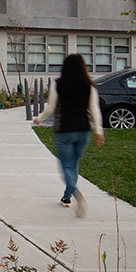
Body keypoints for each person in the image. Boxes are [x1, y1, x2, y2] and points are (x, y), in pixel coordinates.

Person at [32, 53, 105, 217]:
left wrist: (39, 118)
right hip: (83, 131)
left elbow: (51, 108)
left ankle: (78, 197)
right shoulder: (89, 85)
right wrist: (98, 131)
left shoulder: (58, 84)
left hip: (64, 131)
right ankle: (67, 196)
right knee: (74, 164)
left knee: (66, 167)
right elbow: (94, 110)